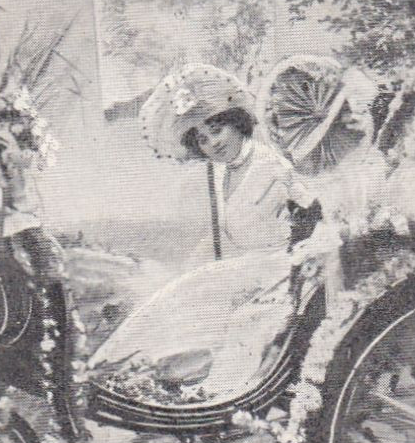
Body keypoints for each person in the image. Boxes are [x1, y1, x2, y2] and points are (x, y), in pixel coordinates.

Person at [88, 64, 312, 401]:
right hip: (245, 270)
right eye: (203, 140)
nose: (212, 144)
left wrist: (295, 259)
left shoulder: (274, 167)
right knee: (183, 293)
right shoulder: (220, 175)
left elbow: (314, 212)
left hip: (280, 271)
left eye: (217, 129)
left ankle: (212, 393)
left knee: (207, 298)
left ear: (237, 123)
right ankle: (125, 377)